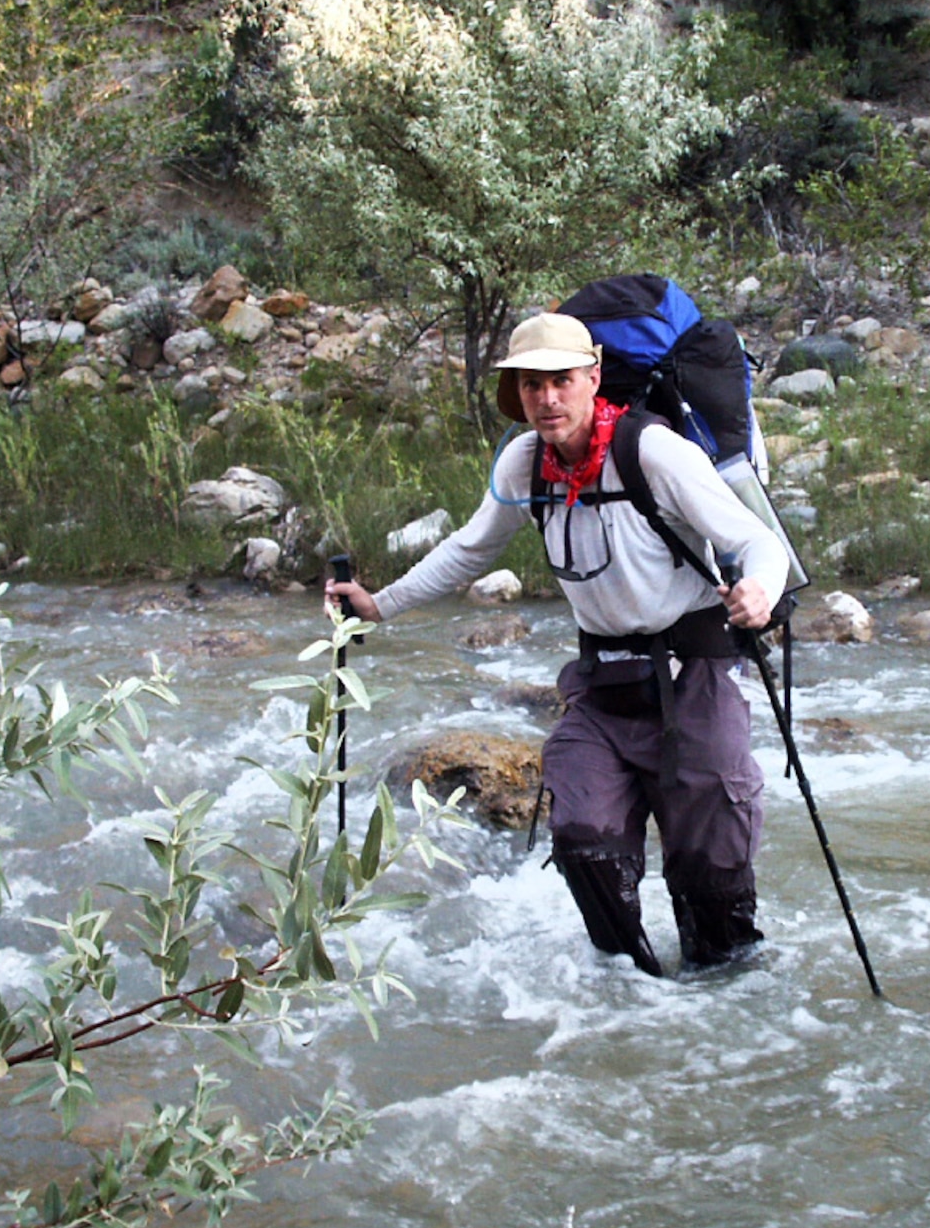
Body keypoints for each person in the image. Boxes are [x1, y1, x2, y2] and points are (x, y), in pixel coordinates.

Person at [325, 311, 790, 976]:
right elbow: (469, 549)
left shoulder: (653, 453)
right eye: (529, 385)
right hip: (603, 686)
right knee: (583, 840)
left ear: (592, 379)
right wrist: (377, 606)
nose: (545, 399)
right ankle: (634, 985)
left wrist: (760, 591)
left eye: (560, 381)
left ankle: (724, 985)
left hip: (695, 674)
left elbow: (756, 542)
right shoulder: (525, 462)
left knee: (711, 862)